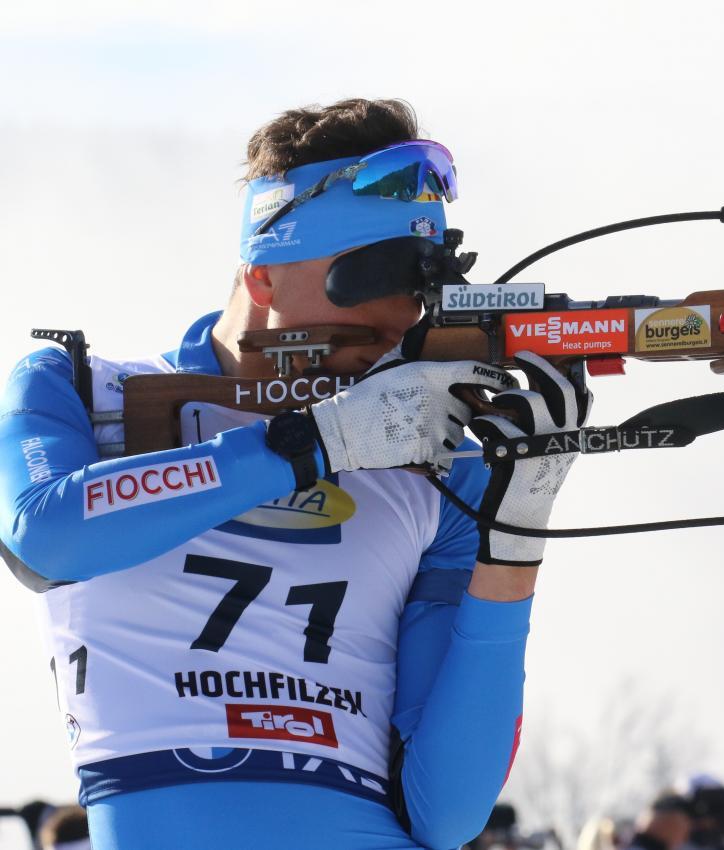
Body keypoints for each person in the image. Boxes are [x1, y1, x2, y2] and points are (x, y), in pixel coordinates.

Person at [0, 98, 588, 850]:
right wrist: (314, 441)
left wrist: (517, 537)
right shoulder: (88, 393)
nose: (403, 317)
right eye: (371, 278)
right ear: (266, 275)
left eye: (423, 284)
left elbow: (446, 811)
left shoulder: (437, 462)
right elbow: (44, 537)